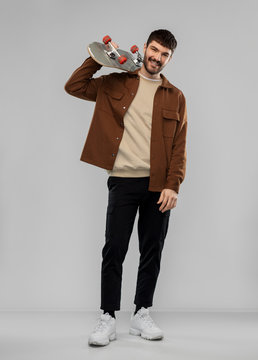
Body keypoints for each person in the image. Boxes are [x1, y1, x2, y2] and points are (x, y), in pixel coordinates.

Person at [64, 29, 188, 346]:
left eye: (165, 55)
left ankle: (141, 313)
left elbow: (179, 146)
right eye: (155, 50)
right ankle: (107, 317)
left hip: (159, 184)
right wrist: (101, 61)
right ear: (145, 48)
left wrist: (173, 185)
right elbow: (74, 86)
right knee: (114, 250)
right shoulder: (115, 83)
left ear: (169, 59)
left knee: (152, 251)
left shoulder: (175, 96)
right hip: (123, 179)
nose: (157, 58)